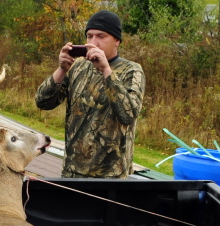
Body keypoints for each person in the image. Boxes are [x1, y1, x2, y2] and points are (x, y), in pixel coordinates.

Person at [35, 10, 145, 179]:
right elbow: (42, 102)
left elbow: (128, 115)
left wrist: (105, 70)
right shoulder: (78, 67)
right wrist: (62, 69)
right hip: (72, 171)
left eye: (101, 36)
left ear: (117, 40)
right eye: (89, 36)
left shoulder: (131, 70)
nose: (93, 43)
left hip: (111, 176)